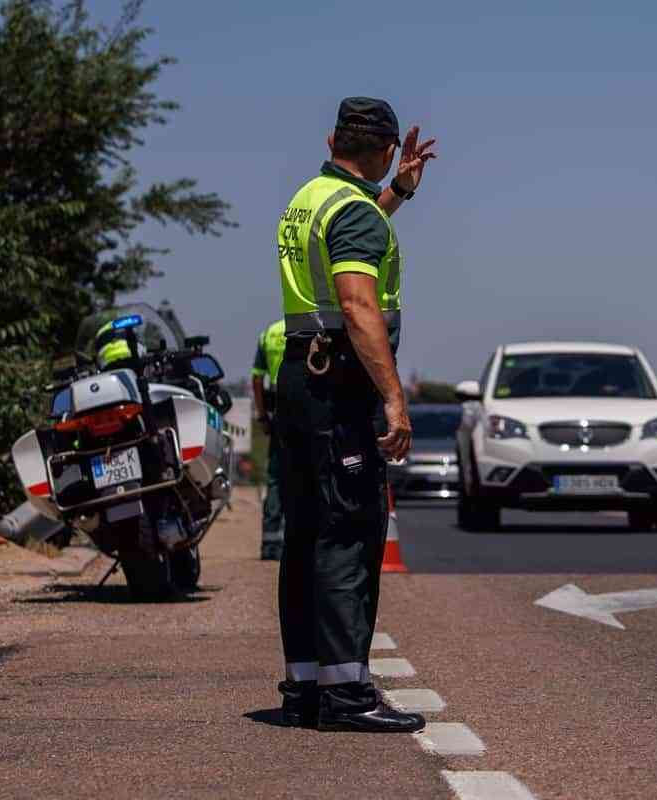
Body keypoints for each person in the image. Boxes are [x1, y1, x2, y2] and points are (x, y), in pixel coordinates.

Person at [274, 97, 435, 732]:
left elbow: (350, 233)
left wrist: (397, 192)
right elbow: (358, 305)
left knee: (307, 536)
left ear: (333, 139)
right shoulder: (355, 216)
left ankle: (307, 689)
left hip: (300, 381)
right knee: (348, 535)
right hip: (340, 389)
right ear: (388, 146)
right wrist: (394, 398)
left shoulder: (311, 197)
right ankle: (348, 696)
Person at [251, 318, 287, 561]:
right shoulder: (312, 327)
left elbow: (256, 379)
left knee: (276, 477)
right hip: (307, 408)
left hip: (277, 411)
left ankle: (270, 544)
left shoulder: (269, 333)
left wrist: (262, 415)